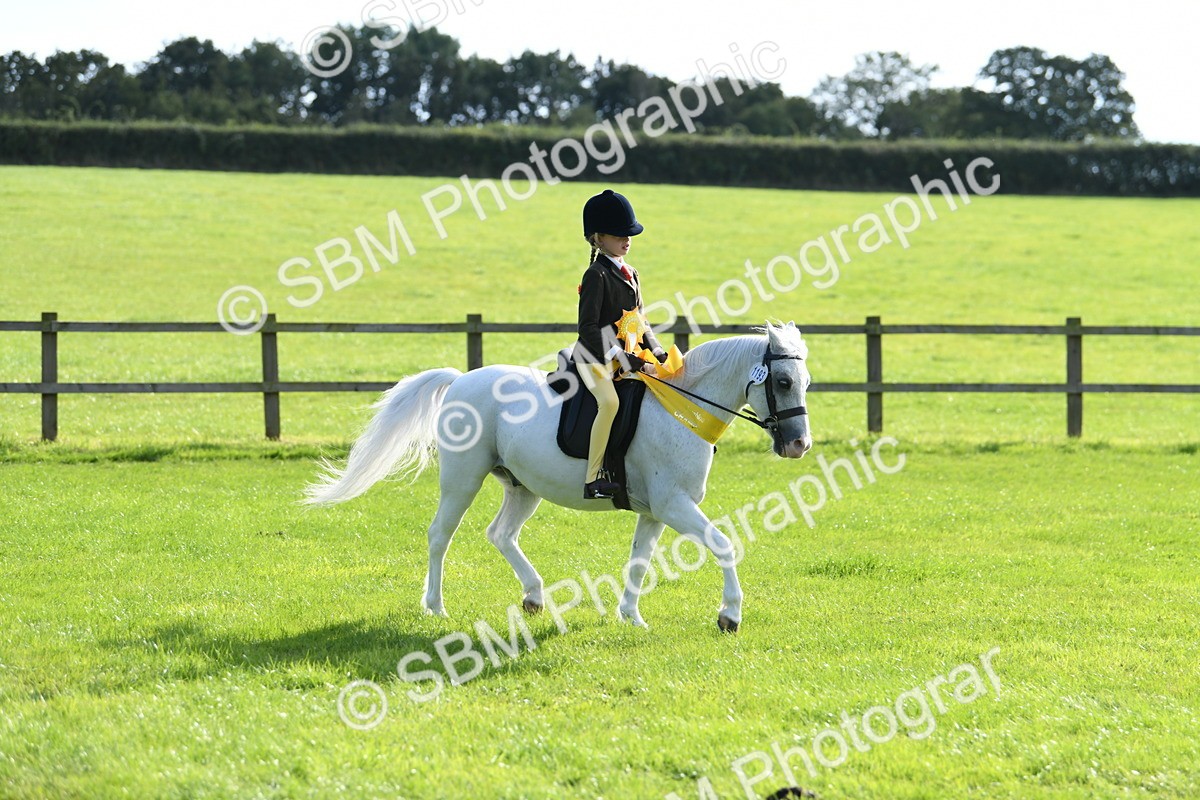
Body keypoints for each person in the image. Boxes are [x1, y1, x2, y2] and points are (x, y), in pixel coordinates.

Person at [574, 189, 669, 499]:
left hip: (628, 355)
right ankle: (593, 478)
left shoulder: (632, 274)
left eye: (629, 234)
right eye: (618, 235)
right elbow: (588, 327)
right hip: (593, 359)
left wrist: (655, 349)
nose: (627, 240)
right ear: (598, 238)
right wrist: (617, 354)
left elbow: (639, 320)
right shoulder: (596, 275)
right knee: (610, 403)